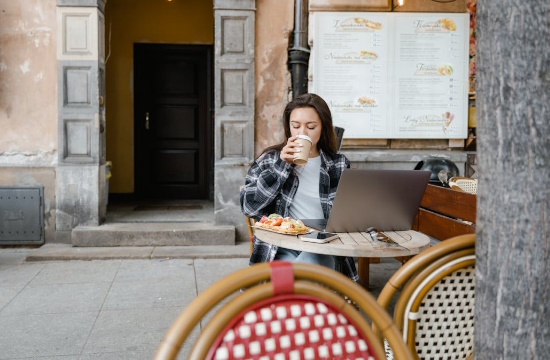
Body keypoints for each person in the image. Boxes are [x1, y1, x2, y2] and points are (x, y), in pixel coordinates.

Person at [240, 93, 358, 282]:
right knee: (302, 275)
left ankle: (281, 301)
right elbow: (249, 207)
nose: (302, 133)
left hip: (324, 245)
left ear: (323, 128)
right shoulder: (270, 159)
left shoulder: (339, 164)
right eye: (296, 126)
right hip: (281, 246)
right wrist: (282, 167)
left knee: (301, 270)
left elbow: (351, 215)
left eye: (311, 127)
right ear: (289, 128)